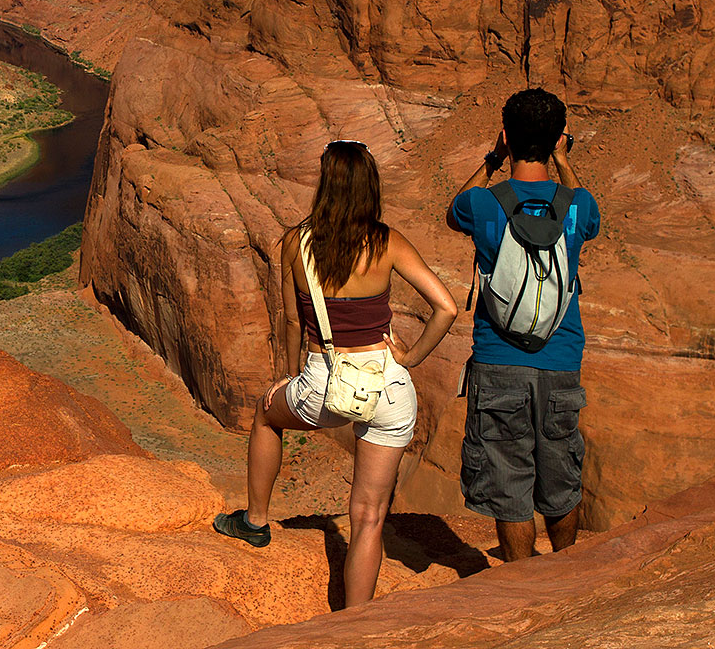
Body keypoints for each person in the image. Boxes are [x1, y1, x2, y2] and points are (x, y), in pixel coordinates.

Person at [214, 140, 459, 609]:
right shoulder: (387, 242)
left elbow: (291, 321)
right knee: (368, 518)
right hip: (388, 387)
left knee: (265, 415)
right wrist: (410, 358)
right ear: (370, 187)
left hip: (324, 386)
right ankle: (354, 624)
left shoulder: (296, 243)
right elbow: (446, 307)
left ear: (325, 185)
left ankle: (255, 521)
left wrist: (288, 378)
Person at [447, 87, 600, 561]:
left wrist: (494, 158)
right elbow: (589, 217)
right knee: (561, 482)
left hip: (499, 363)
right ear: (556, 140)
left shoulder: (483, 205)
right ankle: (564, 579)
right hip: (561, 361)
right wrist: (563, 160)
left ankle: (522, 582)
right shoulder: (578, 206)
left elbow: (454, 209)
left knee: (509, 484)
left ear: (507, 136)